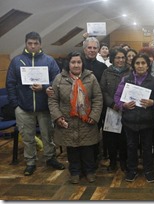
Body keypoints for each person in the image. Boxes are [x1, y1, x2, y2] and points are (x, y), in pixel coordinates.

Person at [6, 31, 65, 176]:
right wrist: (16, 105)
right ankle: (30, 162)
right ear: (26, 44)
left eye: (35, 43)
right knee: (27, 137)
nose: (33, 46)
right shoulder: (16, 61)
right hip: (23, 108)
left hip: (44, 107)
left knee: (48, 135)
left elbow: (57, 81)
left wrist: (44, 87)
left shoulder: (49, 61)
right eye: (30, 43)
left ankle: (50, 158)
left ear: (40, 44)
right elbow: (10, 84)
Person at [48, 51, 103, 184]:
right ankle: (75, 172)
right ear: (69, 64)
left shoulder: (91, 78)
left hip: (87, 120)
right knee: (72, 149)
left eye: (79, 62)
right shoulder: (59, 79)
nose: (76, 65)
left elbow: (98, 98)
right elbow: (53, 100)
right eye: (73, 62)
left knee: (87, 149)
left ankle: (89, 171)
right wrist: (58, 117)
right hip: (67, 121)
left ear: (82, 64)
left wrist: (94, 116)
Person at [114, 54, 154, 183]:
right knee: (131, 146)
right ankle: (132, 170)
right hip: (129, 121)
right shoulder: (126, 79)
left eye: (143, 63)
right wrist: (122, 105)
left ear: (148, 65)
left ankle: (148, 170)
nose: (140, 66)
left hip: (147, 121)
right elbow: (117, 97)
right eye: (137, 63)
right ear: (133, 65)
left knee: (147, 147)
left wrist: (153, 102)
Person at [100, 48, 130, 173]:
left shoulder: (130, 71)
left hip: (127, 109)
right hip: (111, 110)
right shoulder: (106, 72)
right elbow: (102, 90)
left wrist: (124, 104)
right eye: (118, 57)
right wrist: (112, 104)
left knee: (125, 138)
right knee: (111, 138)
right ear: (113, 59)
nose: (120, 60)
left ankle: (123, 161)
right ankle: (112, 162)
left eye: (123, 57)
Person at [82, 37, 108, 166]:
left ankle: (95, 157)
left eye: (94, 48)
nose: (92, 50)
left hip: (98, 105)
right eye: (89, 48)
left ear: (98, 50)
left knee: (96, 132)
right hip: (81, 104)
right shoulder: (78, 64)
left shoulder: (102, 66)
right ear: (84, 49)